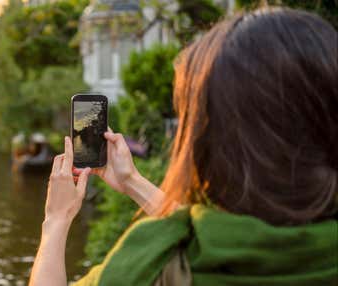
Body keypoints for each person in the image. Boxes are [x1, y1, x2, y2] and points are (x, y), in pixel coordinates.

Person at [29, 7, 338, 286]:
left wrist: (56, 220)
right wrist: (131, 181)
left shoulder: (154, 267)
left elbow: (205, 234)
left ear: (207, 140)